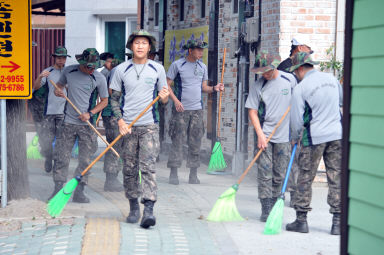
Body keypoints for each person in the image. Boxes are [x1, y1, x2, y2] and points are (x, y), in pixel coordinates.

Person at [110, 30, 169, 229]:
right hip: (128, 127)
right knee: (129, 169)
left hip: (149, 126)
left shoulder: (157, 69)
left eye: (144, 43)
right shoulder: (121, 70)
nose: (141, 46)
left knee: (149, 168)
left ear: (149, 47)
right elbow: (114, 100)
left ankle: (149, 209)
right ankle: (133, 205)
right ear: (131, 46)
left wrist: (164, 97)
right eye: (137, 43)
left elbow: (165, 99)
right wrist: (120, 122)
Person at [286, 52, 342, 235]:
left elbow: (295, 120)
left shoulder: (301, 88)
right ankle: (337, 222)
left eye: (295, 71)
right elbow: (341, 101)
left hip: (314, 138)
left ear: (301, 68)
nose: (295, 75)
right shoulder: (332, 79)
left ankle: (301, 221)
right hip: (337, 134)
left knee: (305, 176)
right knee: (336, 176)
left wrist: (294, 137)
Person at [51, 48, 109, 203]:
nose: (91, 69)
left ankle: (79, 191)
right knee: (61, 157)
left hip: (87, 125)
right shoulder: (69, 72)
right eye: (88, 66)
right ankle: (57, 189)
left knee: (85, 160)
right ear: (81, 63)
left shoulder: (99, 78)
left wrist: (90, 113)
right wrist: (58, 91)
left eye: (93, 66)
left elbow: (105, 101)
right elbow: (59, 86)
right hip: (68, 122)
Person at [245, 52, 297, 222]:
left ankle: (276, 205)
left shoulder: (289, 80)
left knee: (280, 174)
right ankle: (265, 208)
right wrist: (259, 134)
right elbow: (252, 110)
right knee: (264, 173)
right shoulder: (258, 85)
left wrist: (297, 130)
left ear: (274, 67)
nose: (264, 75)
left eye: (266, 71)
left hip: (285, 136)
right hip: (265, 135)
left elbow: (299, 102)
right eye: (261, 72)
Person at [166, 39, 224, 185]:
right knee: (177, 141)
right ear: (190, 50)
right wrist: (176, 101)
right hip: (181, 110)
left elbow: (204, 87)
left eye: (202, 50)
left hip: (197, 110)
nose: (201, 52)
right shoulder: (178, 65)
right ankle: (174, 172)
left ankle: (193, 173)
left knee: (196, 142)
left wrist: (214, 88)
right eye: (198, 49)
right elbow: (166, 86)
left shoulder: (202, 66)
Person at [277, 36, 313, 207]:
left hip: (300, 116)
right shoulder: (284, 67)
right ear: (298, 48)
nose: (309, 54)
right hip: (286, 118)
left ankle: (293, 191)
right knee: (288, 154)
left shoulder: (306, 69)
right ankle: (287, 191)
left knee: (298, 155)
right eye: (307, 49)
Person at [32, 46, 70, 173]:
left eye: (63, 58)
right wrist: (40, 77)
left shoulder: (69, 73)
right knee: (46, 140)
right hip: (49, 112)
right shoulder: (48, 72)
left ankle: (57, 166)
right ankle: (48, 157)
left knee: (61, 141)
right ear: (55, 58)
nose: (61, 60)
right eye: (59, 58)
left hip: (63, 113)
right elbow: (36, 87)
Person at [101, 58, 125, 192]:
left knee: (122, 146)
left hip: (123, 114)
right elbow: (111, 91)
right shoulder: (118, 70)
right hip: (113, 114)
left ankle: (117, 177)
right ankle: (110, 179)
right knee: (114, 145)